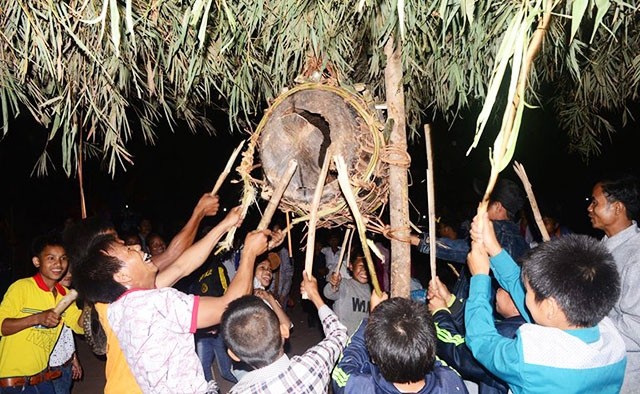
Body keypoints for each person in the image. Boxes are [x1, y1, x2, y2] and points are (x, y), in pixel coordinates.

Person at [74, 228, 271, 393]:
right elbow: (227, 306)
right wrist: (250, 254)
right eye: (127, 249)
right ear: (122, 275)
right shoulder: (158, 303)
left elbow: (181, 267)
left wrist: (224, 226)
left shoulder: (117, 309)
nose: (135, 246)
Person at [64, 194, 225, 393]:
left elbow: (180, 267)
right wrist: (199, 214)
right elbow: (174, 256)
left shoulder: (127, 293)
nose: (130, 245)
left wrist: (213, 221)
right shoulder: (118, 297)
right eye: (115, 242)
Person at [466, 212, 627, 393]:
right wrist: (493, 247)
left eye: (528, 292)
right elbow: (520, 286)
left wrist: (479, 278)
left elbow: (482, 341)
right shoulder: (610, 338)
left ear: (550, 307)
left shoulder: (533, 359)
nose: (523, 296)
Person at [221, 272, 348, 393]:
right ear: (284, 331)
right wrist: (314, 295)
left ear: (233, 355)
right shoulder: (312, 366)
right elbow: (339, 334)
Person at [332, 292, 468, 393]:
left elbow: (345, 365)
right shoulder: (451, 382)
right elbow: (432, 357)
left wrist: (372, 318)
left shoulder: (362, 388)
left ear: (374, 356)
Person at [0, 234, 83, 394]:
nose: (58, 264)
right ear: (37, 261)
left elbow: (79, 327)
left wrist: (91, 299)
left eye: (63, 258)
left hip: (42, 379)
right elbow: (2, 326)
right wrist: (37, 318)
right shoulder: (22, 288)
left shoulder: (65, 294)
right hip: (13, 384)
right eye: (51, 258)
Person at [587, 174, 640, 392]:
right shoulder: (604, 248)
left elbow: (637, 328)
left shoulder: (636, 256)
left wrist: (586, 329)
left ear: (617, 208)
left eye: (595, 202)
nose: (589, 208)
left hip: (624, 377)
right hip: (602, 367)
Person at [429, 276, 524, 394]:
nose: (499, 289)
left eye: (505, 289)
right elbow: (476, 329)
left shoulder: (507, 336)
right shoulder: (517, 326)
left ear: (517, 306)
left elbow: (460, 355)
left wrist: (439, 314)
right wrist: (449, 301)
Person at [49, 270, 83, 394]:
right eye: (64, 272)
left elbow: (67, 334)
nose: (69, 275)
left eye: (71, 272)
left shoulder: (68, 297)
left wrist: (74, 359)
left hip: (65, 363)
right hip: (51, 367)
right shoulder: (44, 298)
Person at [323, 254, 371, 335]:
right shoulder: (345, 284)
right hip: (343, 338)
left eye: (368, 266)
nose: (365, 270)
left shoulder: (372, 291)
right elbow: (328, 293)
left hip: (362, 341)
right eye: (361, 265)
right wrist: (334, 284)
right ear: (351, 267)